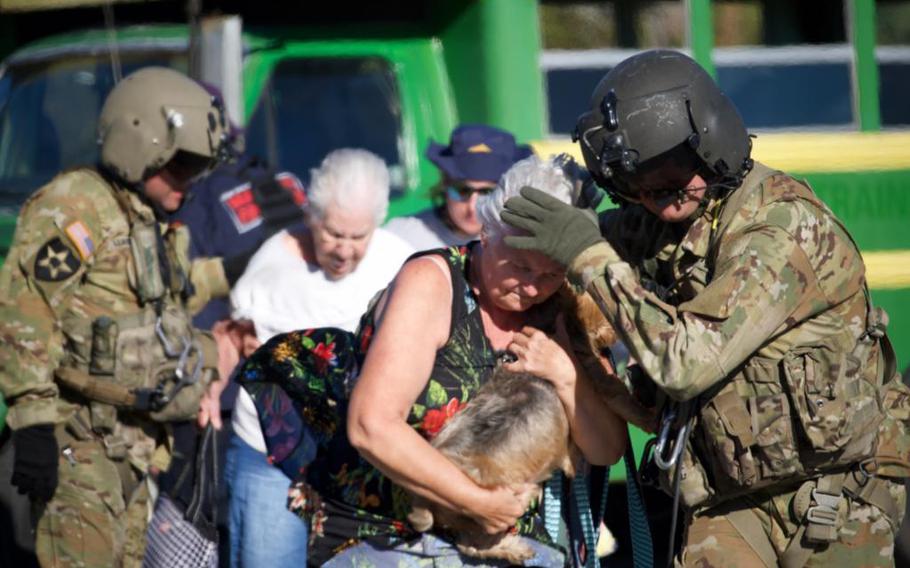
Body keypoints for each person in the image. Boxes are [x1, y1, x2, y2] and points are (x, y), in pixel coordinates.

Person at [501, 49, 910, 567]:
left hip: (836, 487)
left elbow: (687, 363)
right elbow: (562, 257)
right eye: (639, 186)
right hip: (729, 493)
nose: (659, 198)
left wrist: (590, 258)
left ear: (712, 145)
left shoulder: (781, 229)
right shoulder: (666, 220)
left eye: (673, 175)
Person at [236, 154, 626, 566]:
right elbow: (372, 426)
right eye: (520, 266)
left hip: (519, 545)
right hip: (395, 538)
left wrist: (566, 377)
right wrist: (478, 502)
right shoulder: (431, 285)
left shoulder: (564, 309)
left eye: (550, 274)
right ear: (487, 229)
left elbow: (606, 450)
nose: (531, 287)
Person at [0, 67, 238, 567]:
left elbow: (164, 299)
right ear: (140, 148)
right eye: (180, 165)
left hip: (131, 446)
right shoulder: (77, 205)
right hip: (81, 443)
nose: (189, 182)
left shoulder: (140, 217)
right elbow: (25, 308)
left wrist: (235, 271)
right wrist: (33, 423)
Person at [224, 148, 414, 568]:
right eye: (332, 233)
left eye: (357, 237)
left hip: (363, 461)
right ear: (311, 216)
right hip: (269, 454)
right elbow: (231, 336)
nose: (344, 250)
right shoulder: (273, 263)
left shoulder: (400, 264)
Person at [385, 123, 533, 250]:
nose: (472, 207)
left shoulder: (523, 241)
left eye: (488, 193)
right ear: (444, 183)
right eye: (462, 191)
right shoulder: (400, 237)